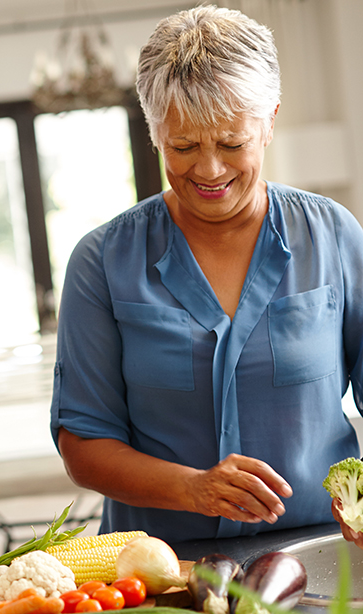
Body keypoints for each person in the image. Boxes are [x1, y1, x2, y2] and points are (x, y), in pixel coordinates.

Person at [51, 6, 363, 543]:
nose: (210, 170)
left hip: (320, 554)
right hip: (159, 568)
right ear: (153, 133)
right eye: (184, 146)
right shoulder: (101, 261)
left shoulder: (332, 234)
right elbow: (84, 444)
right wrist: (193, 488)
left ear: (269, 122)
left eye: (231, 143)